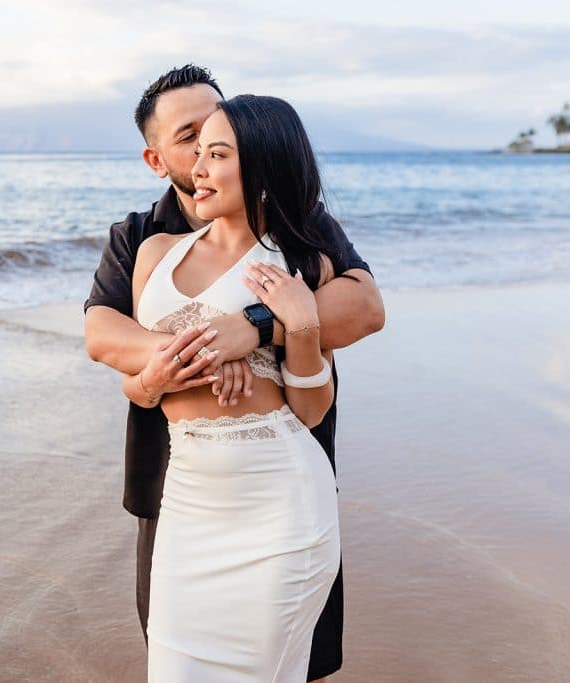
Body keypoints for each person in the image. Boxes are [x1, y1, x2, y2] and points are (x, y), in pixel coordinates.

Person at [84, 66, 384, 682]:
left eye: (217, 135)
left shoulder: (300, 230)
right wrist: (177, 360)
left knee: (291, 661)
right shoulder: (141, 239)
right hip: (177, 490)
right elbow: (103, 335)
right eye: (189, 136)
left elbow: (363, 307)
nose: (202, 154)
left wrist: (253, 327)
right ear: (155, 157)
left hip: (278, 484)